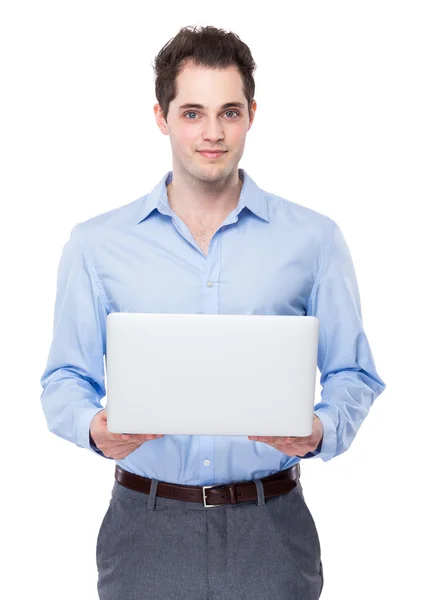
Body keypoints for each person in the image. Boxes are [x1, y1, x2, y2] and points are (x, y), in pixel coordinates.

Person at [39, 25, 386, 600]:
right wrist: (94, 428)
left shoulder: (314, 240)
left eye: (229, 112)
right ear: (162, 117)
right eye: (193, 113)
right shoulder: (95, 245)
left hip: (272, 526)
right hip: (144, 525)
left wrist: (319, 430)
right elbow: (64, 380)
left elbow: (354, 372)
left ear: (252, 114)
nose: (213, 133)